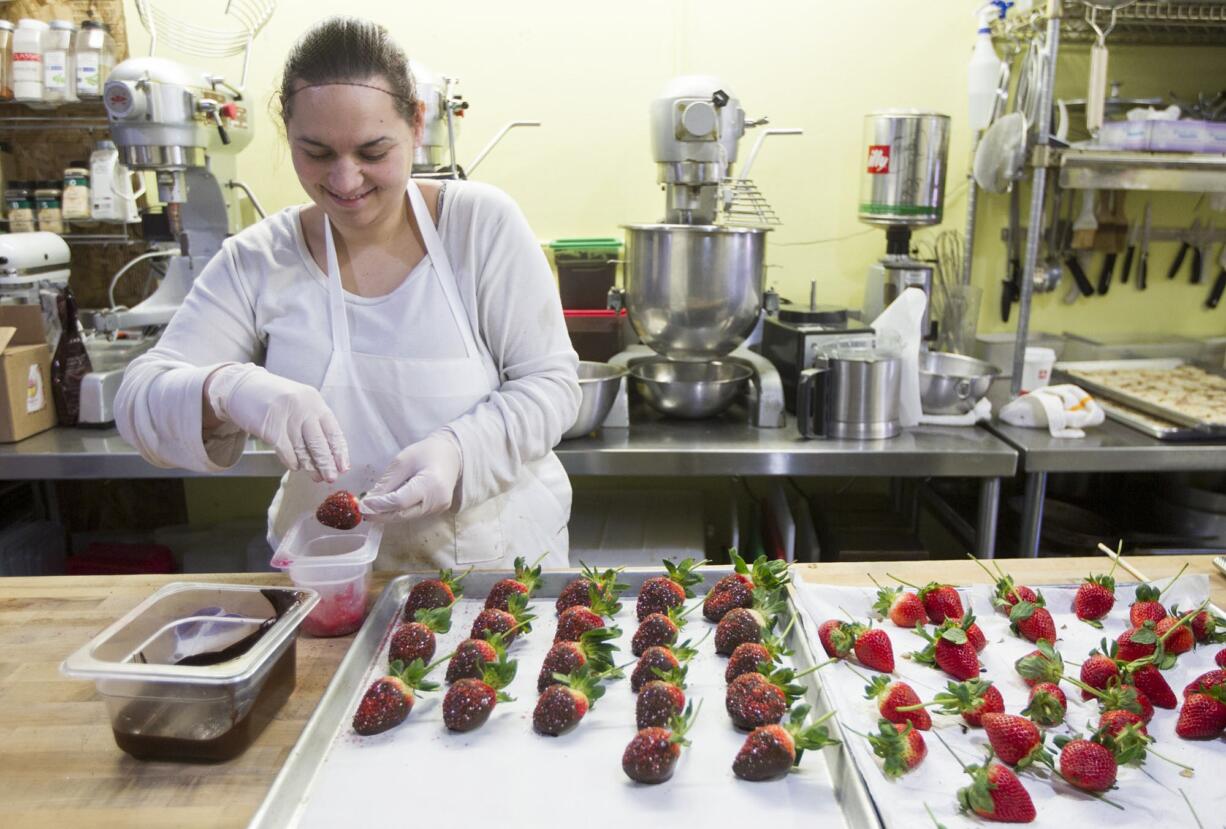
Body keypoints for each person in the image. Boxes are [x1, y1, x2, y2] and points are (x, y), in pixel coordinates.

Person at [115, 16, 580, 570]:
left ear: (415, 123)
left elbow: (551, 385)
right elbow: (139, 400)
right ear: (287, 133)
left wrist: (460, 452)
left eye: (372, 151)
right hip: (331, 586)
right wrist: (227, 390)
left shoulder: (480, 227)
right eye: (315, 153)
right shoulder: (259, 260)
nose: (344, 179)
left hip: (491, 579)